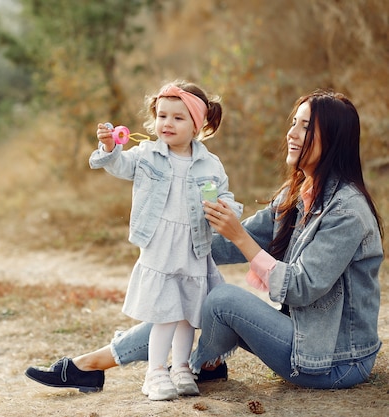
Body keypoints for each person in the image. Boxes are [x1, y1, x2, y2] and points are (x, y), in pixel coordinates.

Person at [25, 89, 384, 393]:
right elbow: (222, 245)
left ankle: (197, 365)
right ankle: (92, 364)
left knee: (219, 297)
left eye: (306, 127)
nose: (292, 133)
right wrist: (173, 240)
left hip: (337, 360)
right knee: (180, 291)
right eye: (294, 122)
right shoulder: (299, 193)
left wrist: (239, 236)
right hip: (307, 339)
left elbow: (302, 288)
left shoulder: (346, 211)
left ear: (333, 139)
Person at [29, 80, 243, 401]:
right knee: (165, 312)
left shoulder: (210, 164)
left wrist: (227, 208)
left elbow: (224, 194)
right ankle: (155, 373)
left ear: (197, 125)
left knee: (187, 312)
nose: (166, 124)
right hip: (160, 244)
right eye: (162, 116)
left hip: (194, 245)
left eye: (178, 118)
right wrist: (110, 148)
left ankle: (181, 367)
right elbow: (120, 165)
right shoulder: (147, 154)